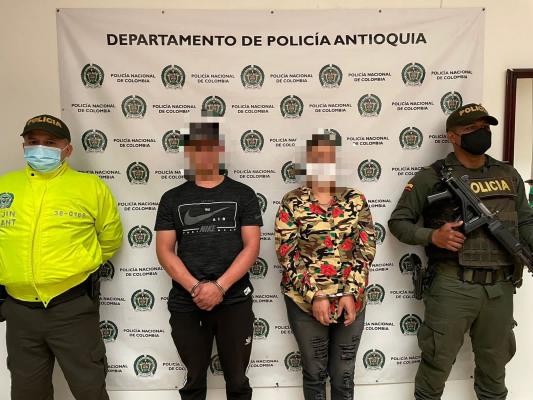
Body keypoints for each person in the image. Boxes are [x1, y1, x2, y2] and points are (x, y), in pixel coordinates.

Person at [388, 103, 533, 400]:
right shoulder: (431, 177)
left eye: (485, 127)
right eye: (471, 129)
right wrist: (433, 236)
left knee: (495, 369)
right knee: (436, 364)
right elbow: (398, 222)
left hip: (500, 289)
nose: (481, 133)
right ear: (453, 137)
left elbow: (525, 221)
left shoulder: (508, 173)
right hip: (453, 285)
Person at [0, 114, 123, 400]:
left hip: (71, 307)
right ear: (24, 146)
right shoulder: (5, 186)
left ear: (67, 149)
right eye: (33, 141)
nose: (40, 148)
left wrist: (80, 263)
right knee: (27, 392)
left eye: (50, 143)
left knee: (89, 389)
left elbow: (110, 237)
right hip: (19, 311)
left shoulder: (90, 187)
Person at [154, 122, 262, 400]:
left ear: (220, 150)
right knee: (193, 381)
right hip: (187, 301)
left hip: (234, 299)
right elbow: (165, 251)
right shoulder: (172, 198)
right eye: (196, 148)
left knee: (238, 381)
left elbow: (251, 247)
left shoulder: (243, 194)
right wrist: (195, 288)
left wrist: (220, 287)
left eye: (209, 147)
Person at [274, 132, 376, 400]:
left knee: (344, 375)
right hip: (305, 302)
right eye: (316, 159)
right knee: (314, 373)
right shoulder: (292, 202)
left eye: (328, 158)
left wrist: (350, 293)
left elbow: (365, 249)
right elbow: (287, 254)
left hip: (351, 300)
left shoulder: (355, 199)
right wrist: (315, 295)